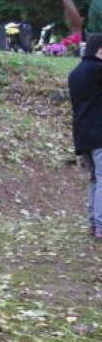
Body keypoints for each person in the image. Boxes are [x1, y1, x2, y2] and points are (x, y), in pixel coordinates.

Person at [68, 34, 102, 239]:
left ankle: (93, 223)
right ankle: (100, 225)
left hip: (81, 134)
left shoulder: (75, 73)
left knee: (94, 178)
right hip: (99, 133)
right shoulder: (98, 69)